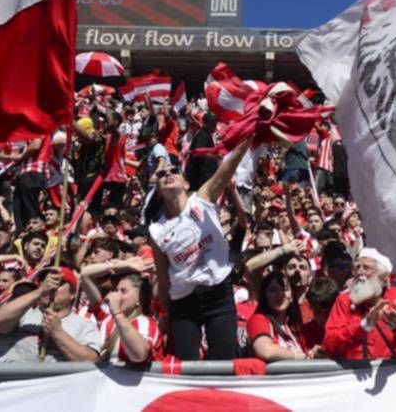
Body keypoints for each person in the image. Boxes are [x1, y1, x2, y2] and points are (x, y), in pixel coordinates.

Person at [148, 137, 253, 360]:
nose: (167, 175)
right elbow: (163, 280)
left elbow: (229, 165)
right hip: (183, 303)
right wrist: (168, 310)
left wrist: (249, 136)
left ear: (186, 184)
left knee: (223, 361)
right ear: (157, 190)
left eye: (174, 170)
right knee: (186, 364)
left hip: (219, 295)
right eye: (160, 174)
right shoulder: (156, 231)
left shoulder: (202, 200)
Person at [321, 247, 396, 361]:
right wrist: (362, 327)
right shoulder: (344, 300)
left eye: (366, 268)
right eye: (357, 267)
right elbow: (329, 346)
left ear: (383, 277)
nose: (359, 272)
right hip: (354, 374)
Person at [0, 266, 102, 363]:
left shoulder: (84, 324)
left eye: (58, 282)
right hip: (8, 382)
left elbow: (90, 361)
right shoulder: (23, 311)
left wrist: (57, 332)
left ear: (72, 293)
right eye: (45, 281)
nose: (51, 286)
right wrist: (39, 291)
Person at [102, 272, 161, 364]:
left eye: (123, 291)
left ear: (139, 299)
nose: (117, 296)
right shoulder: (108, 322)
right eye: (116, 291)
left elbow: (139, 354)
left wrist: (117, 312)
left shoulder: (145, 323)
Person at [247, 272, 307, 362]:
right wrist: (296, 355)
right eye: (273, 290)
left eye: (285, 289)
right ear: (265, 296)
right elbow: (265, 351)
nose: (280, 294)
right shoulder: (258, 320)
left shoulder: (294, 328)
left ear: (292, 297)